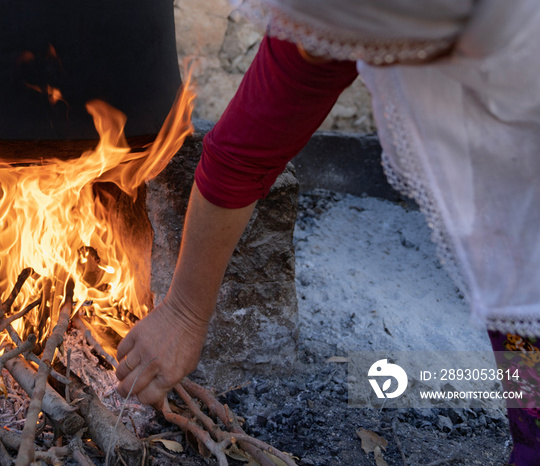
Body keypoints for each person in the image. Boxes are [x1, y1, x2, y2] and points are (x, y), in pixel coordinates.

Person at [115, 1, 540, 463]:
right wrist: (184, 312)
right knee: (528, 380)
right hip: (514, 229)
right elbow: (243, 154)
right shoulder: (335, 18)